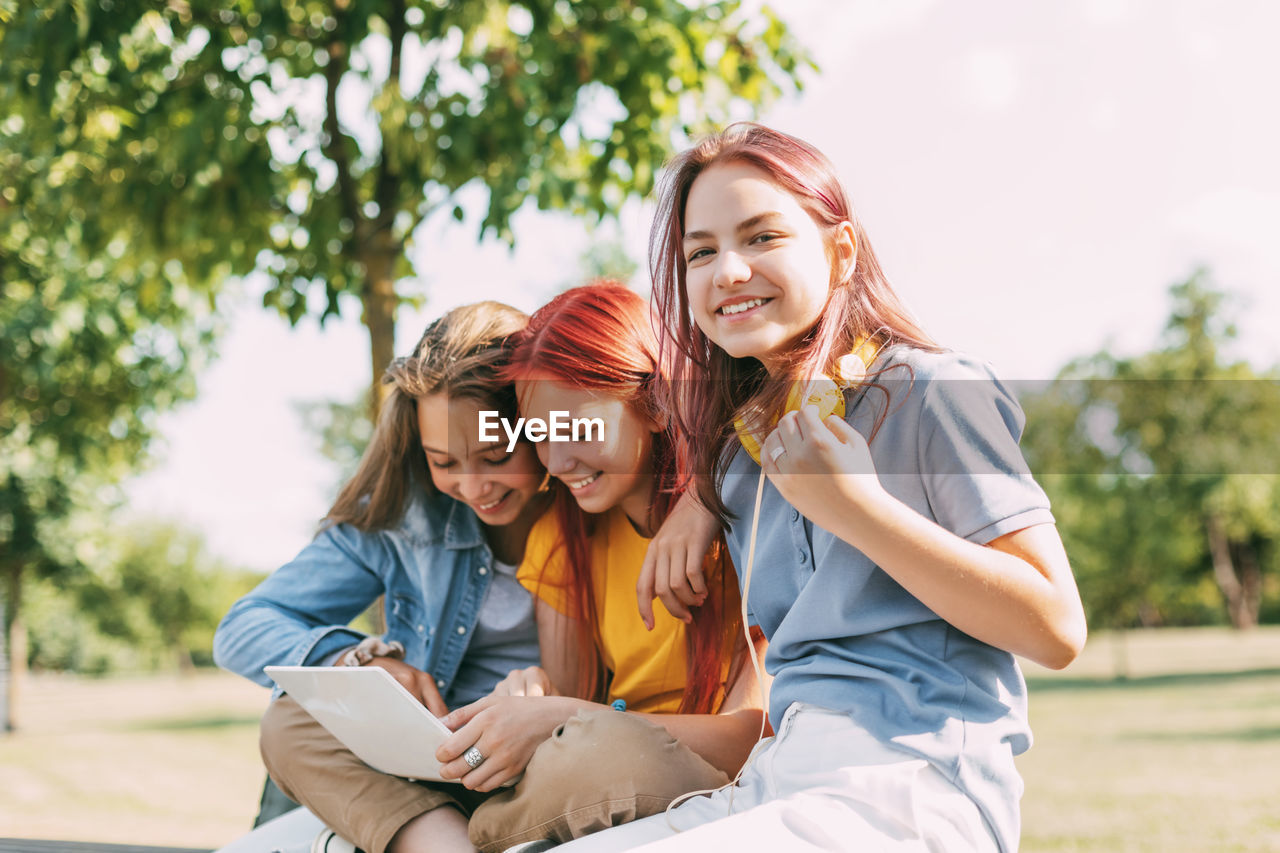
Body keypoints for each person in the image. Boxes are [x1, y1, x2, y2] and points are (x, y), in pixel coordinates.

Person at [554, 124, 1088, 852]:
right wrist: (698, 499)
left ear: (840, 254)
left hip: (915, 786)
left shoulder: (934, 391)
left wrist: (860, 510)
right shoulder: (742, 455)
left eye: (762, 237)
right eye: (700, 252)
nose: (729, 271)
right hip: (779, 780)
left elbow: (1056, 629)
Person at [436, 282, 767, 853]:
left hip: (698, 776)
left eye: (579, 427)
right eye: (540, 434)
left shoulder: (737, 521)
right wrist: (535, 697)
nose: (558, 460)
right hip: (601, 770)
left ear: (658, 406)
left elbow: (752, 735)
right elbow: (569, 702)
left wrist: (574, 718)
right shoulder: (563, 539)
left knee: (599, 756)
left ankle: (458, 838)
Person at [213, 301, 552, 853]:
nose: (473, 487)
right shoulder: (403, 518)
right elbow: (242, 628)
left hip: (534, 757)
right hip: (421, 765)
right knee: (288, 723)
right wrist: (359, 661)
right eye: (444, 462)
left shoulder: (592, 504)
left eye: (494, 456)